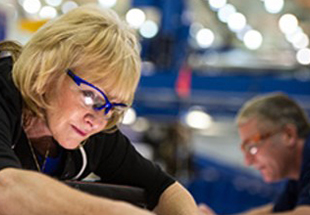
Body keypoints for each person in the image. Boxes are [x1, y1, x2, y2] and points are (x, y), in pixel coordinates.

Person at [0, 5, 200, 215]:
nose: (97, 120)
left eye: (113, 108)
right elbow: (6, 189)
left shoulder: (90, 134)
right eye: (90, 96)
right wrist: (113, 211)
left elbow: (165, 189)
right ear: (48, 70)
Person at [235, 92, 310, 214]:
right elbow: (274, 211)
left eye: (252, 147)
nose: (247, 162)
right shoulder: (298, 177)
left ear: (288, 135)